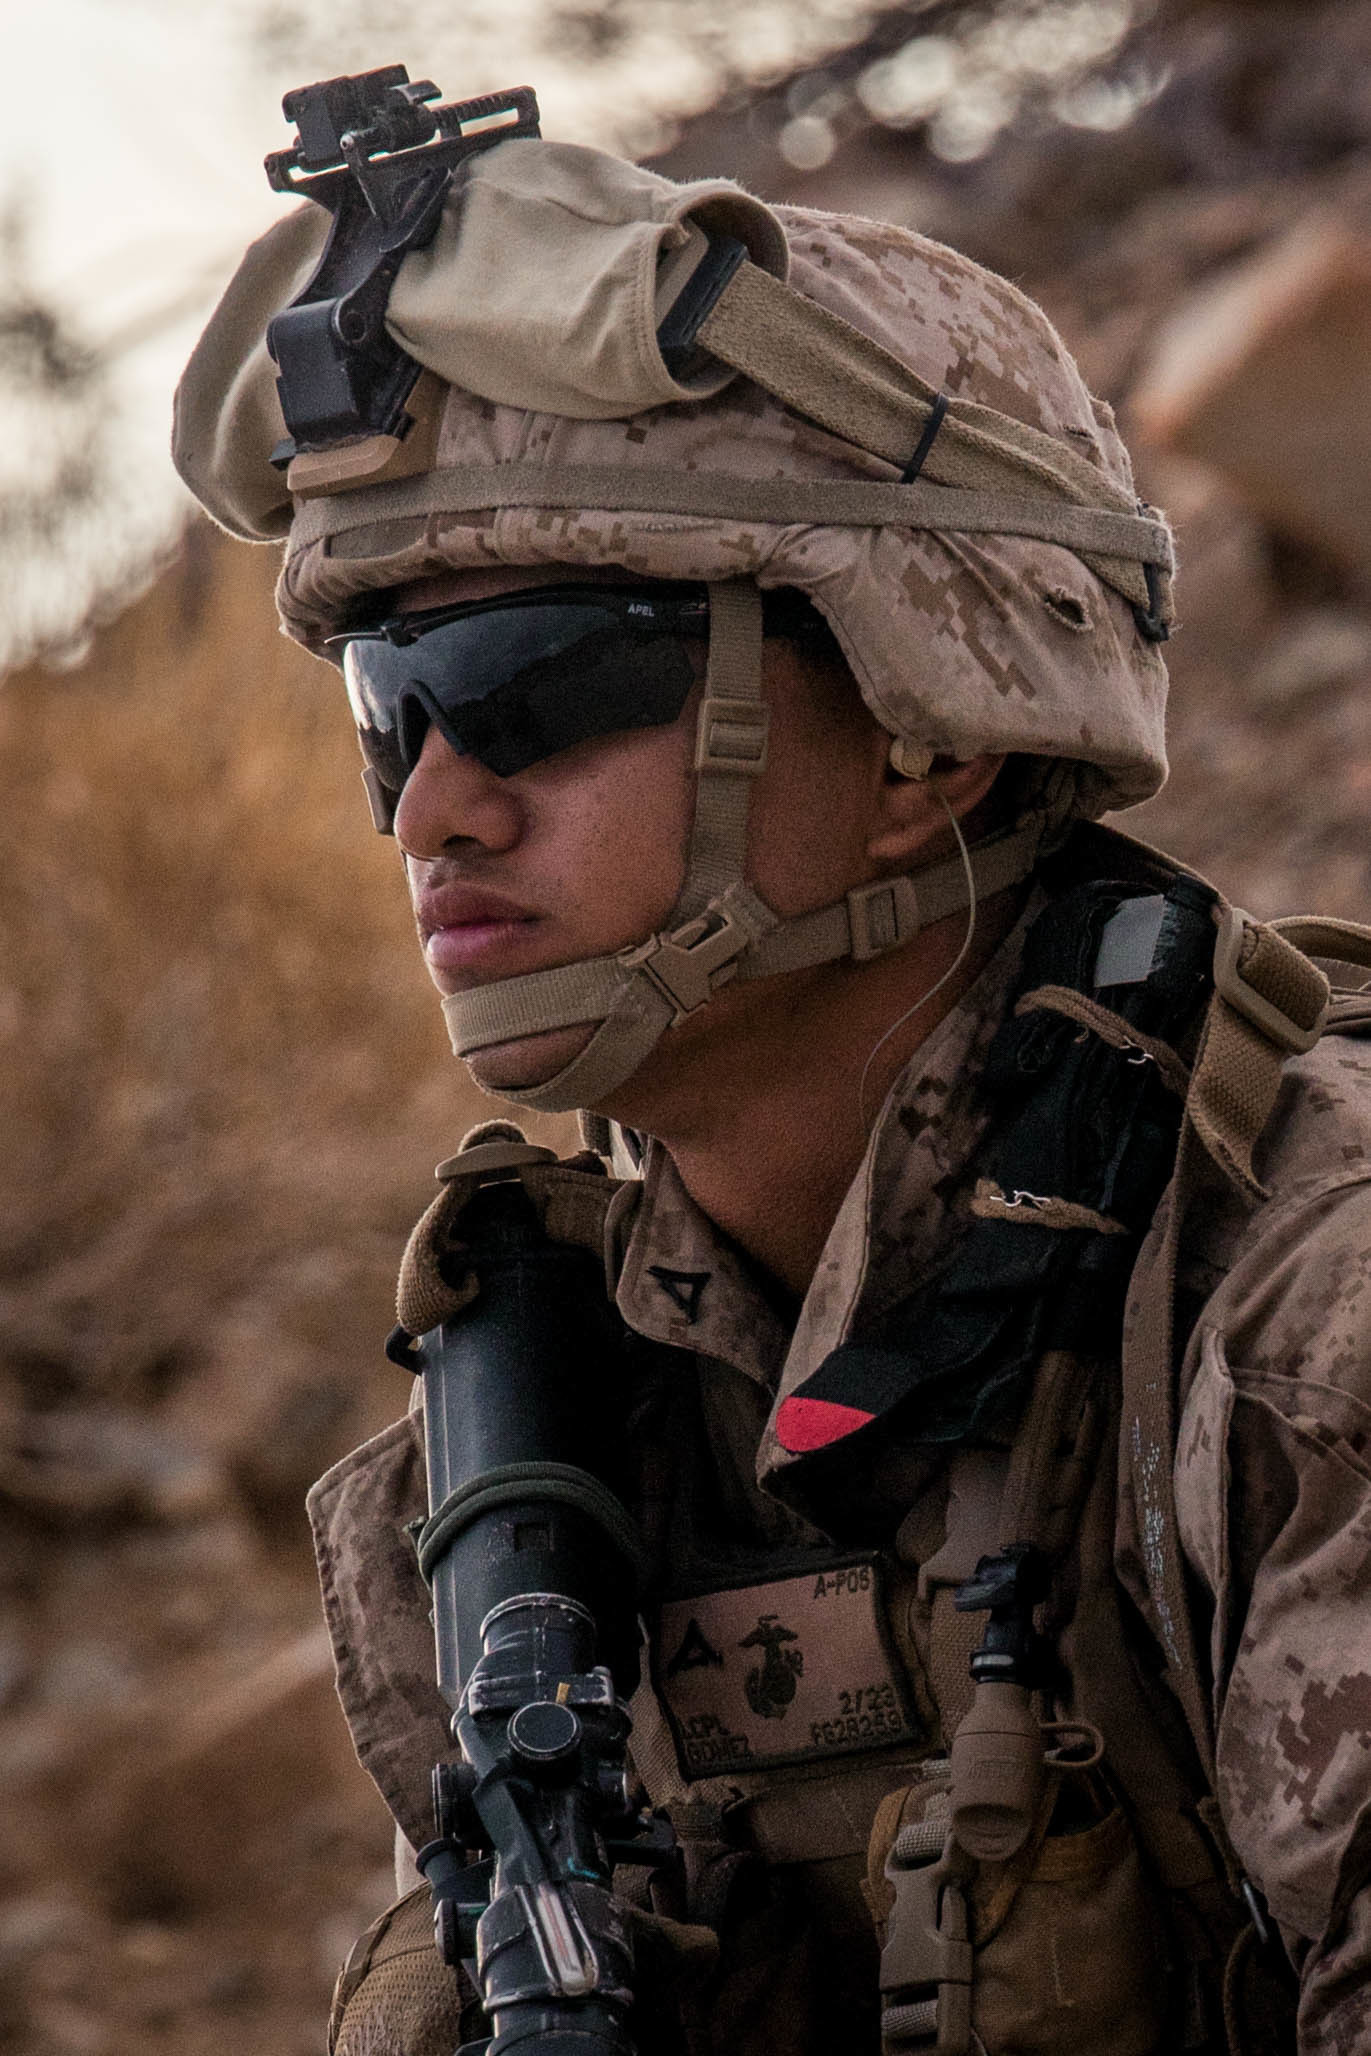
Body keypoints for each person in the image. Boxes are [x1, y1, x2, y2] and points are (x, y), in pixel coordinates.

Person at [172, 75, 1371, 2056]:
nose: (432, 815)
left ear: (925, 738)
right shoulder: (547, 1418)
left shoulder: (1298, 1321)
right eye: (394, 712)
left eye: (534, 683)